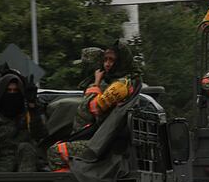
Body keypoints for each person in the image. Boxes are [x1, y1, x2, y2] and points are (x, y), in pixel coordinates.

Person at [47, 39, 141, 172]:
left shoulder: (120, 86)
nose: (107, 64)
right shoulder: (122, 81)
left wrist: (96, 84)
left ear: (120, 61)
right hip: (105, 141)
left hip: (104, 146)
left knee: (55, 152)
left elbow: (93, 107)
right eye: (105, 60)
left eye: (111, 60)